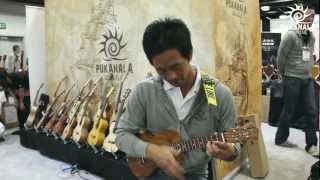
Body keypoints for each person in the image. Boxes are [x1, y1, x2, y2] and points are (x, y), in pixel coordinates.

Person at [115, 17, 239, 180]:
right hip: (152, 172)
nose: (171, 76)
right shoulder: (145, 91)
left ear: (189, 54)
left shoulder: (216, 93)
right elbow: (122, 135)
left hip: (194, 174)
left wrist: (230, 152)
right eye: (161, 70)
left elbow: (234, 144)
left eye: (176, 66)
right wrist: (152, 151)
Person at [275, 7, 319, 157]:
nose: (310, 19)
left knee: (312, 111)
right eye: (308, 16)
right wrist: (284, 75)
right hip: (292, 78)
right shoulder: (290, 36)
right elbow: (280, 59)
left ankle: (311, 144)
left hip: (307, 79)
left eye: (312, 17)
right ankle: (280, 138)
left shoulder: (312, 37)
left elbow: (309, 56)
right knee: (289, 110)